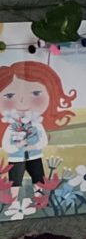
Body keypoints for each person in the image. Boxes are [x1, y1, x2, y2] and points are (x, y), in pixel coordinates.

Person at [0, 61, 77, 210]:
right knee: (14, 182)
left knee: (39, 180)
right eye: (9, 96)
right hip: (15, 158)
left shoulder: (36, 124)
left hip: (34, 156)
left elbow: (43, 141)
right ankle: (13, 204)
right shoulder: (11, 127)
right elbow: (6, 144)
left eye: (35, 93)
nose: (22, 102)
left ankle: (41, 201)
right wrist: (17, 145)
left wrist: (32, 145)